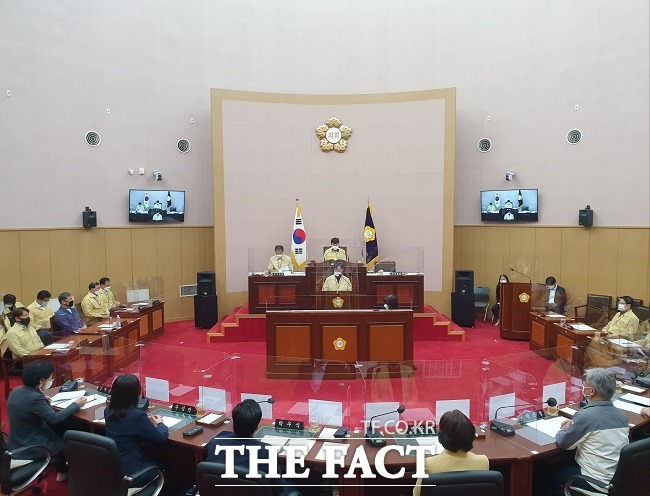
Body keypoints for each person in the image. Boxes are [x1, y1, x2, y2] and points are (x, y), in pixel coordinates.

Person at [544, 368, 629, 495]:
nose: (583, 387)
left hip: (595, 482)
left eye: (585, 385)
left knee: (544, 475)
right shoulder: (621, 415)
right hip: (616, 480)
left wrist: (565, 429)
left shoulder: (586, 416)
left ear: (591, 391)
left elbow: (563, 443)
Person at [7, 360, 86, 481]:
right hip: (32, 445)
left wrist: (42, 398)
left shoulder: (16, 390)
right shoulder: (35, 399)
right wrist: (76, 404)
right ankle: (64, 469)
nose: (52, 381)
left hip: (15, 442)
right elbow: (54, 419)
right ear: (41, 381)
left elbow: (27, 403)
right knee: (67, 436)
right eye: (50, 378)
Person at [206, 399, 296, 496]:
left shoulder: (214, 444)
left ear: (233, 422)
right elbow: (278, 489)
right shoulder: (267, 452)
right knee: (293, 485)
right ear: (257, 426)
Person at [104, 374, 168, 487]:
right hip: (132, 473)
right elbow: (161, 439)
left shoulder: (108, 411)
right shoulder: (137, 416)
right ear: (135, 394)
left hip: (113, 468)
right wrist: (160, 423)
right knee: (166, 466)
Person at [412, 409, 489, 496]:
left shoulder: (429, 464)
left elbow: (417, 494)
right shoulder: (483, 461)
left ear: (442, 436)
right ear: (471, 435)